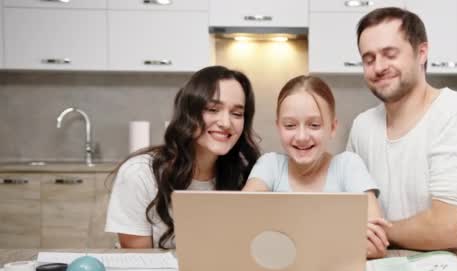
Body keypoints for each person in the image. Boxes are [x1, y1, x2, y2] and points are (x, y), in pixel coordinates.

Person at [347, 7, 457, 250]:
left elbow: (449, 228)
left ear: (421, 53)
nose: (378, 67)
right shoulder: (362, 127)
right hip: (386, 270)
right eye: (369, 59)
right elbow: (351, 211)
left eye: (390, 54)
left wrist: (377, 233)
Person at [105, 65, 261, 249]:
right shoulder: (140, 174)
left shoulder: (247, 177)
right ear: (189, 113)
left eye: (237, 113)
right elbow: (139, 263)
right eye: (212, 109)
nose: (226, 123)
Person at [243, 75, 391, 258]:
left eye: (314, 125)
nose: (302, 136)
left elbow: (375, 244)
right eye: (290, 125)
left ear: (333, 127)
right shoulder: (270, 165)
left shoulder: (348, 166)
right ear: (278, 127)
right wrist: (344, 236)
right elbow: (244, 223)